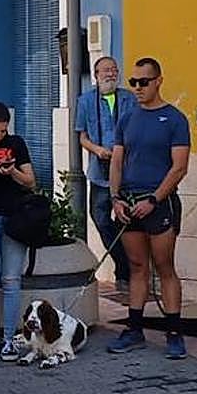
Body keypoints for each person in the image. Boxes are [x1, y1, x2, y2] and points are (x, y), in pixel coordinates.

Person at [106, 57, 191, 359]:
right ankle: (135, 329)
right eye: (133, 82)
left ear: (158, 81)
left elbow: (179, 167)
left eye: (144, 82)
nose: (138, 88)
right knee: (137, 267)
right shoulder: (127, 118)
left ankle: (174, 333)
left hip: (159, 203)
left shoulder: (175, 119)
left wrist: (154, 199)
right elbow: (117, 160)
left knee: (164, 267)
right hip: (128, 203)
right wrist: (115, 198)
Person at [0, 100, 38, 362]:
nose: (0, 137)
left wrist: (11, 171)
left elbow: (30, 181)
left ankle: (10, 338)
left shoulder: (16, 144)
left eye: (3, 131)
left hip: (14, 218)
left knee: (12, 279)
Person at [75, 56, 136, 291]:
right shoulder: (85, 101)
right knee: (100, 218)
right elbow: (82, 137)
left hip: (126, 170)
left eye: (114, 70)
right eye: (105, 70)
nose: (110, 74)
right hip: (99, 171)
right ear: (96, 75)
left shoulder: (129, 99)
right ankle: (124, 264)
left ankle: (127, 271)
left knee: (126, 220)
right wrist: (97, 150)